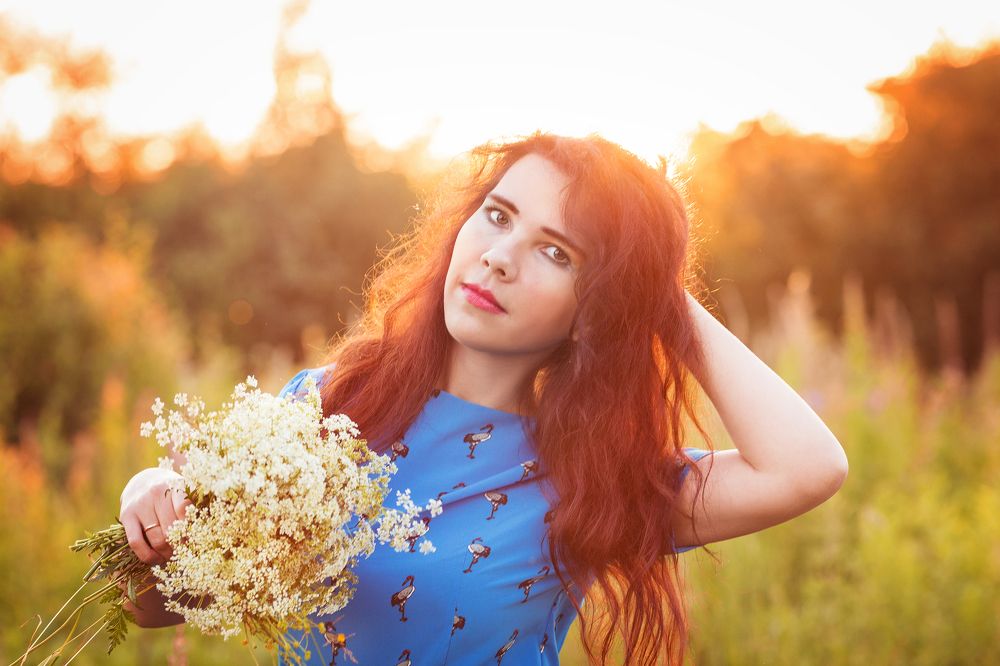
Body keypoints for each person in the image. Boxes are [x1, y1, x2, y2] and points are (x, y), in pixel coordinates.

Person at [117, 131, 849, 665]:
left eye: (556, 252)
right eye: (498, 215)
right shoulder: (328, 407)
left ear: (599, 303)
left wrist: (659, 287)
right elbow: (158, 608)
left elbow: (807, 468)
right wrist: (155, 510)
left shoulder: (594, 485)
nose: (500, 256)